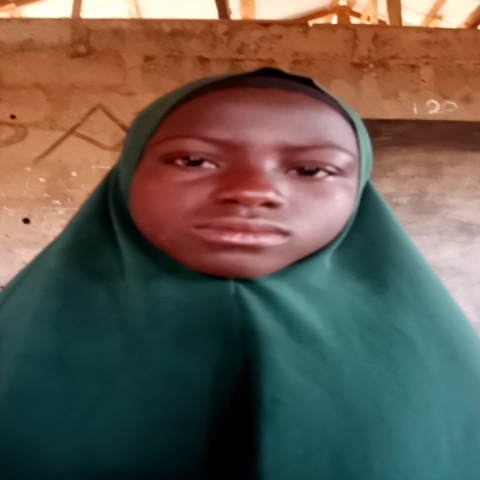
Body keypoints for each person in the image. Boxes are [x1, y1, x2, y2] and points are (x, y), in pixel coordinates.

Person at [0, 68, 479, 480]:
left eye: (312, 170)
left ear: (359, 190)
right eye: (194, 161)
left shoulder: (445, 367)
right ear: (128, 174)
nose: (252, 191)